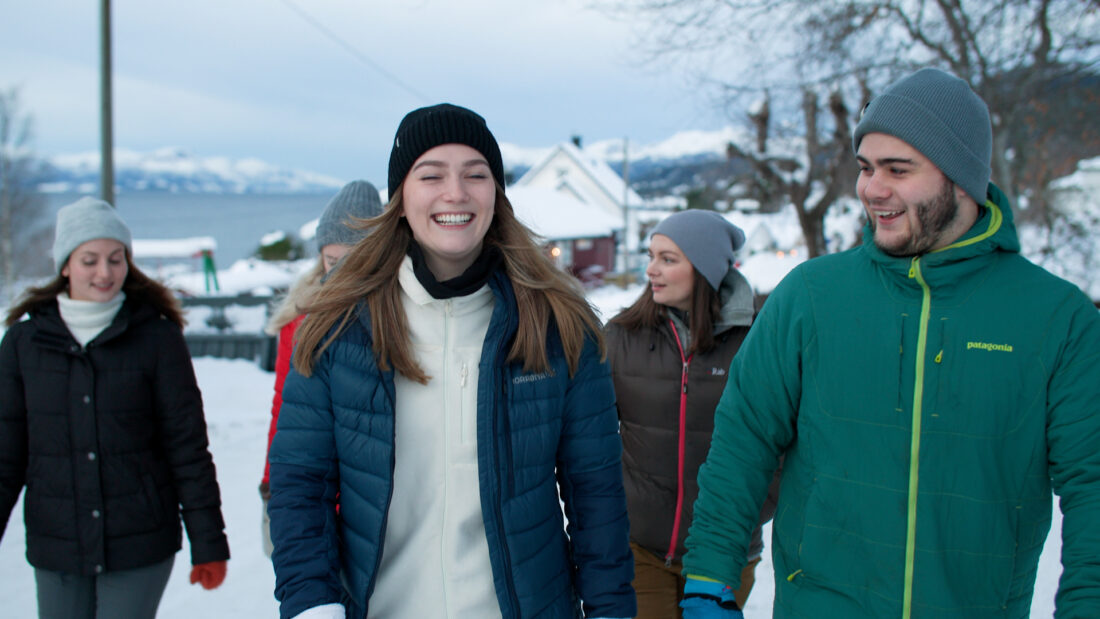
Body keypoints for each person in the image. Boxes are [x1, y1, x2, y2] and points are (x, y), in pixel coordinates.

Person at [679, 67, 1100, 618]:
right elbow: (743, 443)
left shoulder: (1055, 318)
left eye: (898, 169)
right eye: (866, 167)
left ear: (962, 179)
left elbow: (1093, 486)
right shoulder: (810, 297)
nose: (871, 189)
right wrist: (709, 576)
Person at [267, 103, 636, 619]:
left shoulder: (560, 327)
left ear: (496, 195)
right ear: (400, 198)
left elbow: (595, 495)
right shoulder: (337, 328)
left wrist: (610, 609)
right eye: (431, 175)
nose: (456, 193)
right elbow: (299, 485)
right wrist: (312, 602)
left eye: (476, 175)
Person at [0, 197, 230, 618]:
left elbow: (187, 447)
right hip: (57, 544)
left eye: (115, 259)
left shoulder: (158, 338)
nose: (104, 273)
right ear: (65, 265)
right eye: (89, 260)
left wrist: (209, 541)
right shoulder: (23, 343)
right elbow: (6, 453)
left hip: (141, 543)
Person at [605, 209, 778, 617]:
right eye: (651, 256)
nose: (651, 270)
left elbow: (782, 446)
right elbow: (591, 435)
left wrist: (748, 515)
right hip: (639, 546)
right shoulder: (621, 337)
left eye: (668, 259)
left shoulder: (758, 340)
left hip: (726, 551)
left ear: (706, 269)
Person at [258, 179, 384, 557]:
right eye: (332, 261)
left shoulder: (395, 317)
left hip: (376, 503)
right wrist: (272, 485)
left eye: (354, 260)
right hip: (316, 496)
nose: (340, 274)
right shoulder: (300, 320)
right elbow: (284, 410)